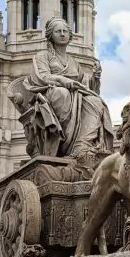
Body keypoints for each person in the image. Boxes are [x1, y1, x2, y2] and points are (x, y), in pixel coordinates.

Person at [23, 17, 114, 162]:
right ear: (50, 35)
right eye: (58, 31)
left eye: (65, 31)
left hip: (75, 96)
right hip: (52, 94)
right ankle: (63, 142)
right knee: (62, 94)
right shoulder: (42, 57)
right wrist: (64, 81)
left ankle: (81, 145)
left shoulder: (74, 62)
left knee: (95, 101)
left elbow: (87, 86)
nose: (62, 34)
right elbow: (43, 77)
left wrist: (96, 77)